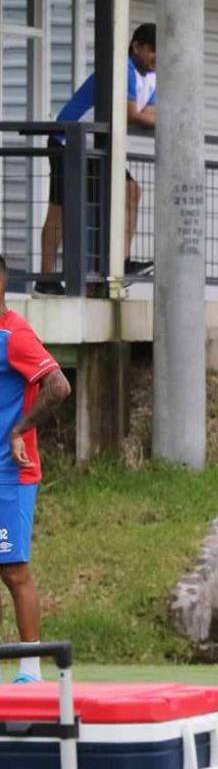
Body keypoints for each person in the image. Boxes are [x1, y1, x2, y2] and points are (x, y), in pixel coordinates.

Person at [41, 23, 157, 294]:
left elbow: (150, 113)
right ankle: (46, 277)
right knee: (61, 208)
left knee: (130, 191)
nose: (156, 57)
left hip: (97, 146)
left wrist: (152, 116)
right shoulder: (123, 70)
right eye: (152, 50)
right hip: (67, 140)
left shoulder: (151, 77)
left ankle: (121, 262)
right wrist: (153, 116)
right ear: (137, 47)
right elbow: (134, 114)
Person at [0, 256, 72, 682]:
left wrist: (19, 432)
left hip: (10, 474)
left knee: (12, 569)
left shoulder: (15, 335)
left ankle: (31, 672)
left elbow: (58, 385)